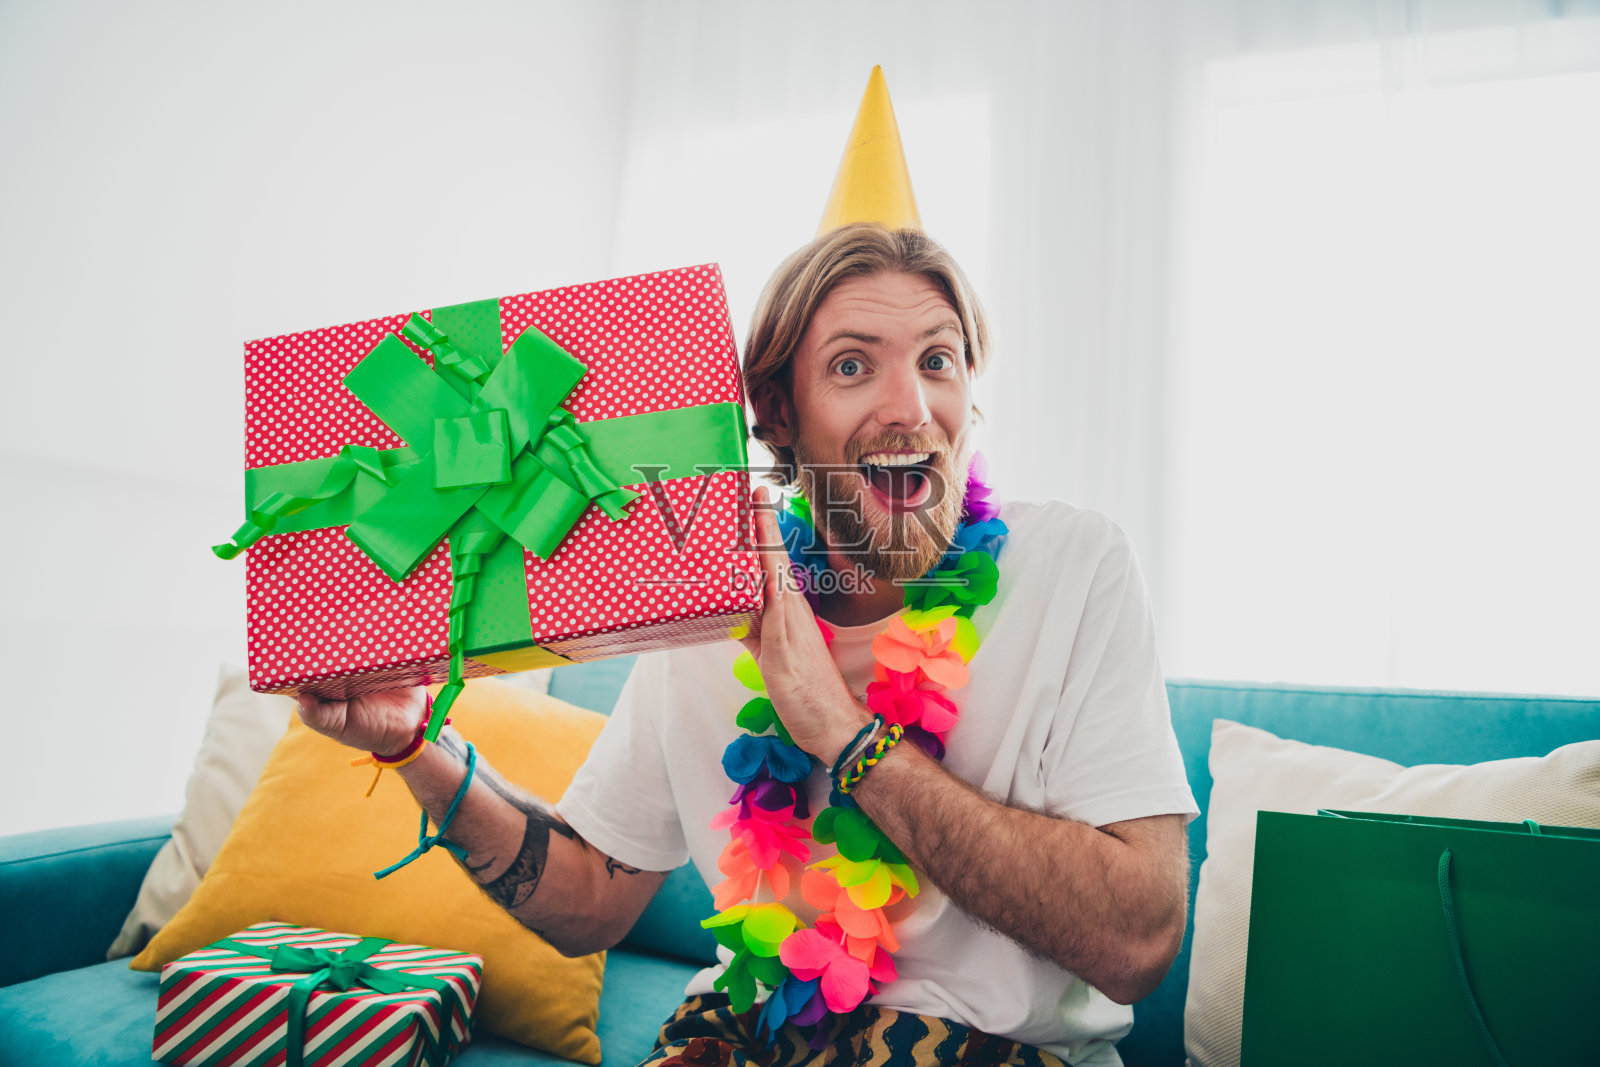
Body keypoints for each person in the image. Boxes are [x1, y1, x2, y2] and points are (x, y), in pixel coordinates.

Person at [298, 71, 1196, 1067]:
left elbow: (1139, 939)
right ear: (774, 413)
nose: (912, 406)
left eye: (938, 360)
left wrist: (839, 728)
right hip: (744, 1035)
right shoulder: (703, 592)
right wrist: (413, 744)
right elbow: (591, 894)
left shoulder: (1074, 568)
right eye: (853, 364)